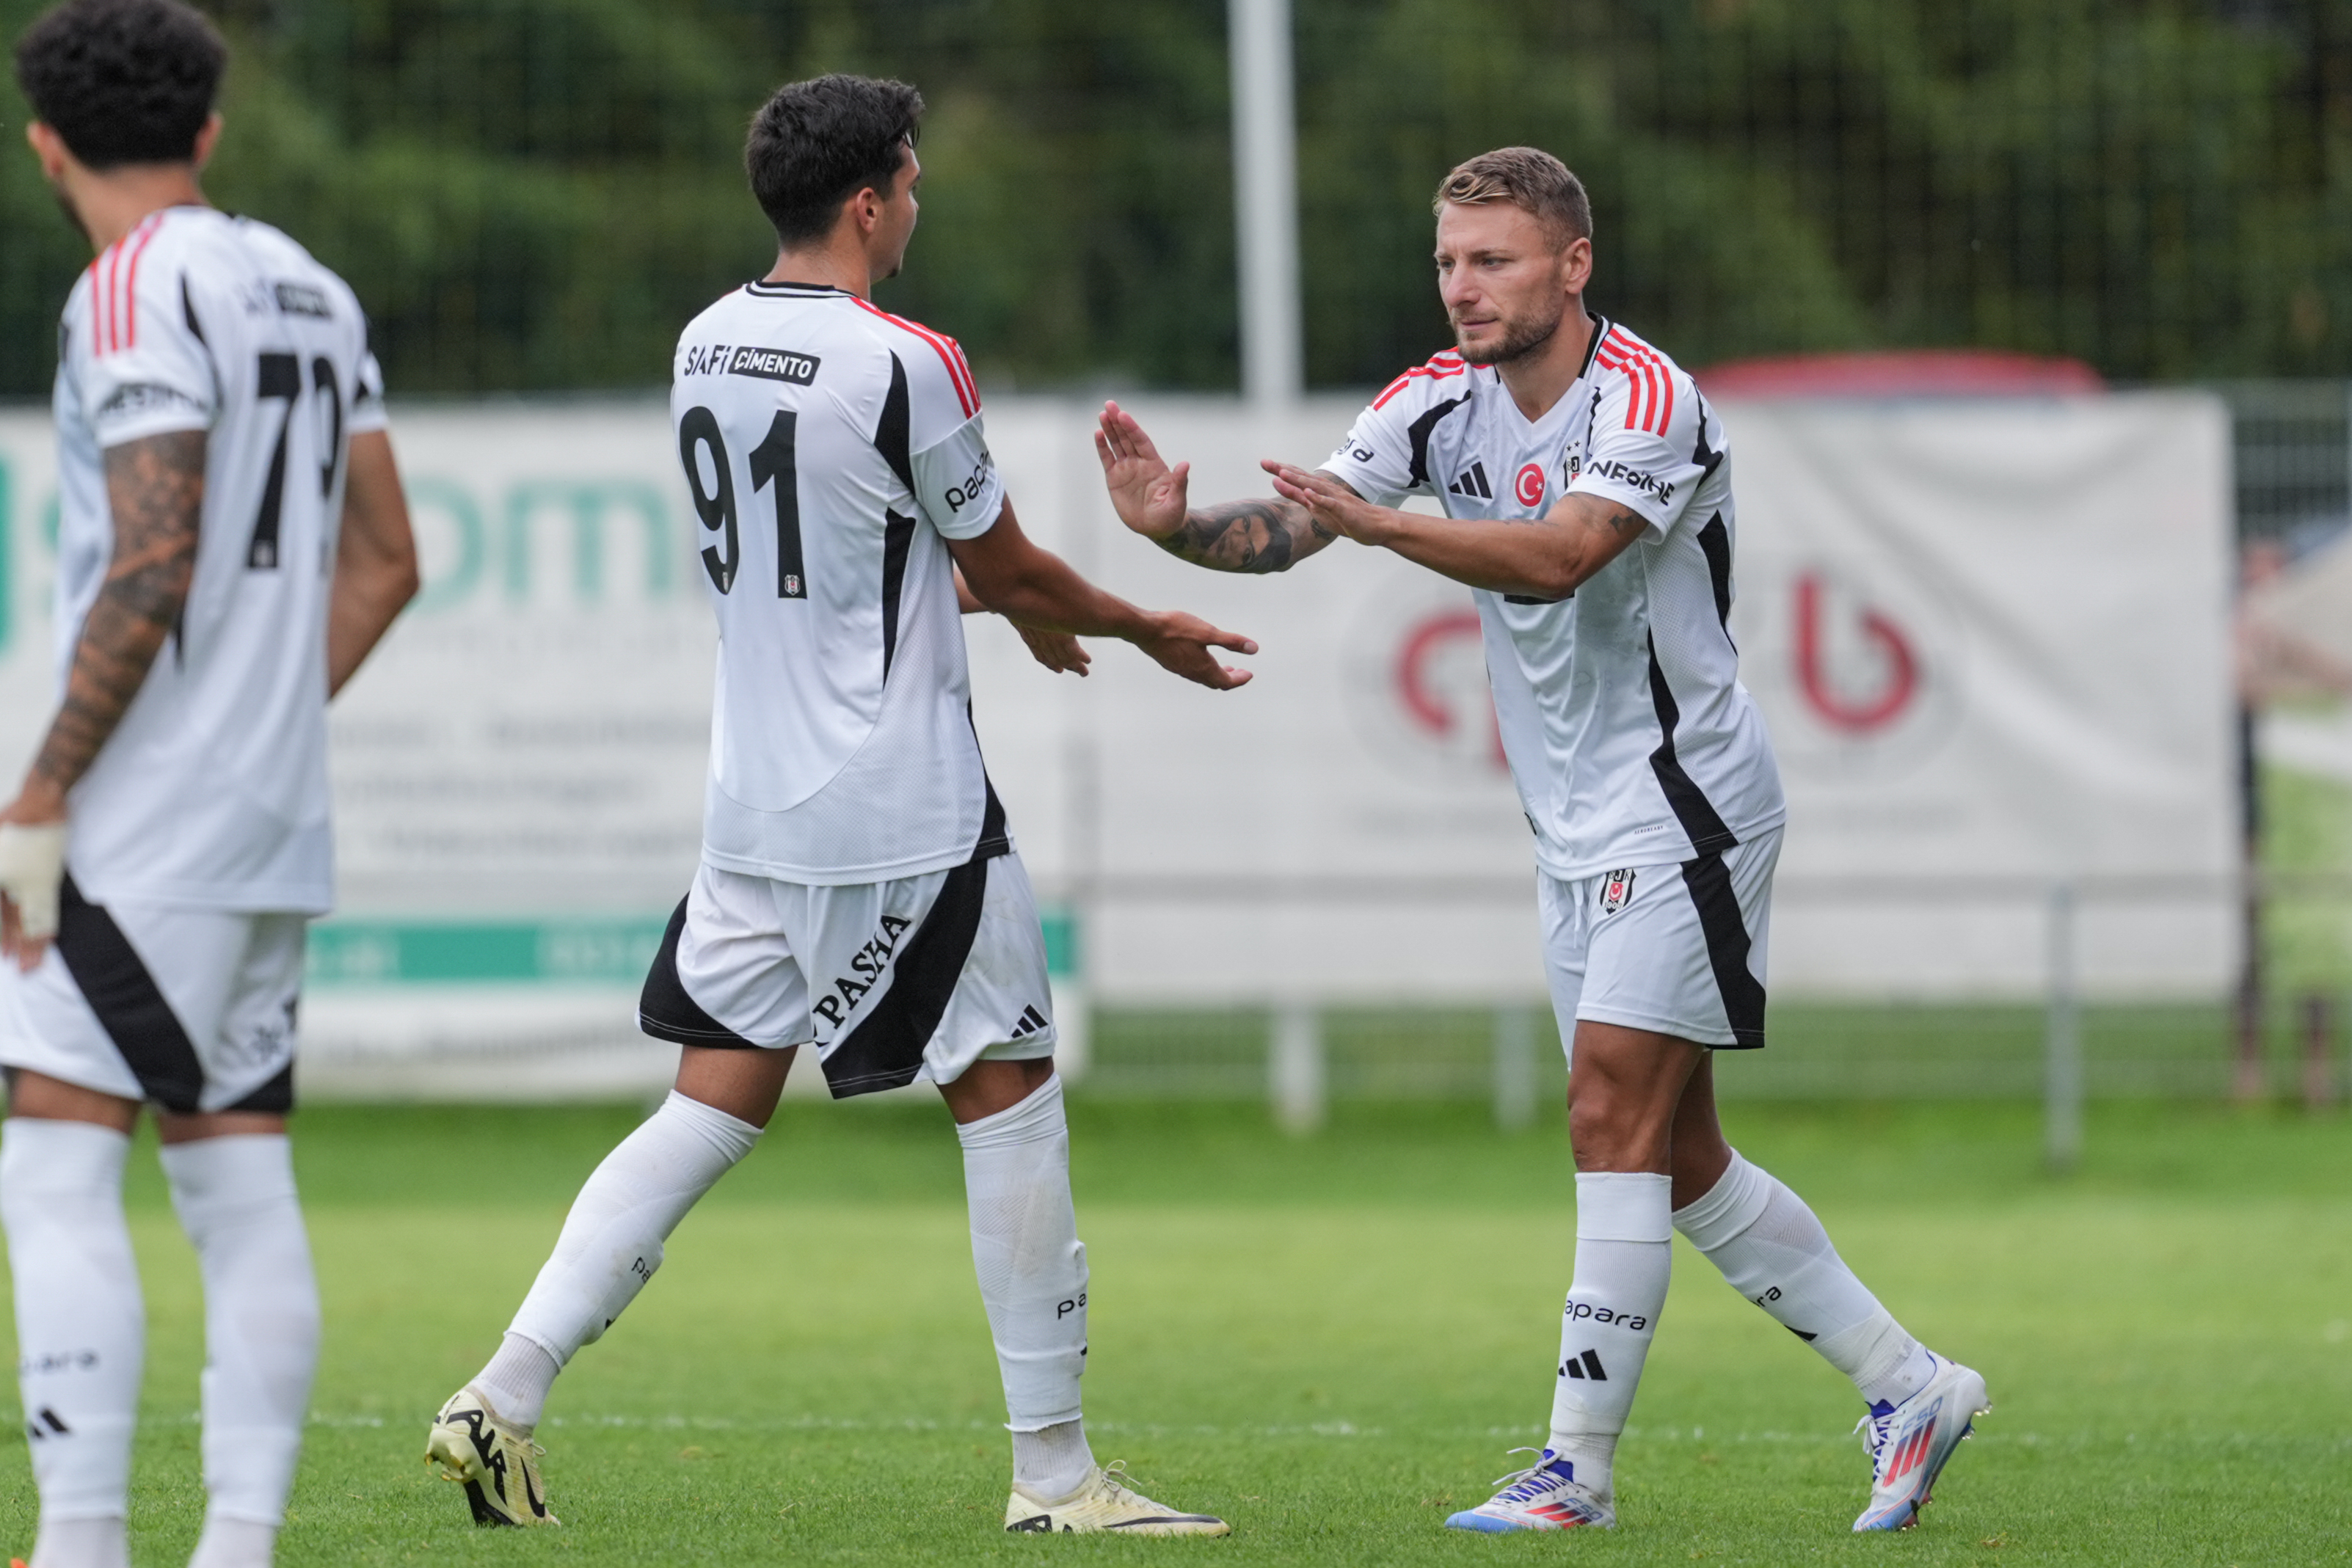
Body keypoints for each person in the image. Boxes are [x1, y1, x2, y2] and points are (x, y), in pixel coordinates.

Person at [1093, 146, 1987, 1535]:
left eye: (1492, 259)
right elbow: (1297, 521)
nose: (1462, 287)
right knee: (1677, 1158)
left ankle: (1574, 1469)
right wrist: (1179, 532)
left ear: (1571, 264)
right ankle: (1911, 1384)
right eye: (1448, 260)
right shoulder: (1434, 404)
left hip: (1682, 805)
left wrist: (1385, 529)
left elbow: (1562, 550)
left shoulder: (1648, 396)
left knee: (1601, 1115)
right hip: (1569, 825)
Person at [423, 73, 1245, 1539]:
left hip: (754, 809)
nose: (918, 202)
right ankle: (1057, 1475)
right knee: (1011, 1100)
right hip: (902, 809)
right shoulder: (907, 360)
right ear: (870, 199)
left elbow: (865, 554)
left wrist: (1008, 600)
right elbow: (993, 562)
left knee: (710, 1104)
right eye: (914, 180)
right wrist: (1140, 623)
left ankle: (505, 1388)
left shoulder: (704, 341)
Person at [0, 4, 421, 1567]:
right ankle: (233, 1548)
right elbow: (391, 561)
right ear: (209, 132)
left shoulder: (126, 290)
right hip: (262, 824)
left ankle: (87, 1544)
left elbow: (153, 554)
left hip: (140, 823)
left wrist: (40, 792)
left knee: (52, 1165)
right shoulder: (309, 284)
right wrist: (257, 726)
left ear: (46, 144)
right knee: (237, 1182)